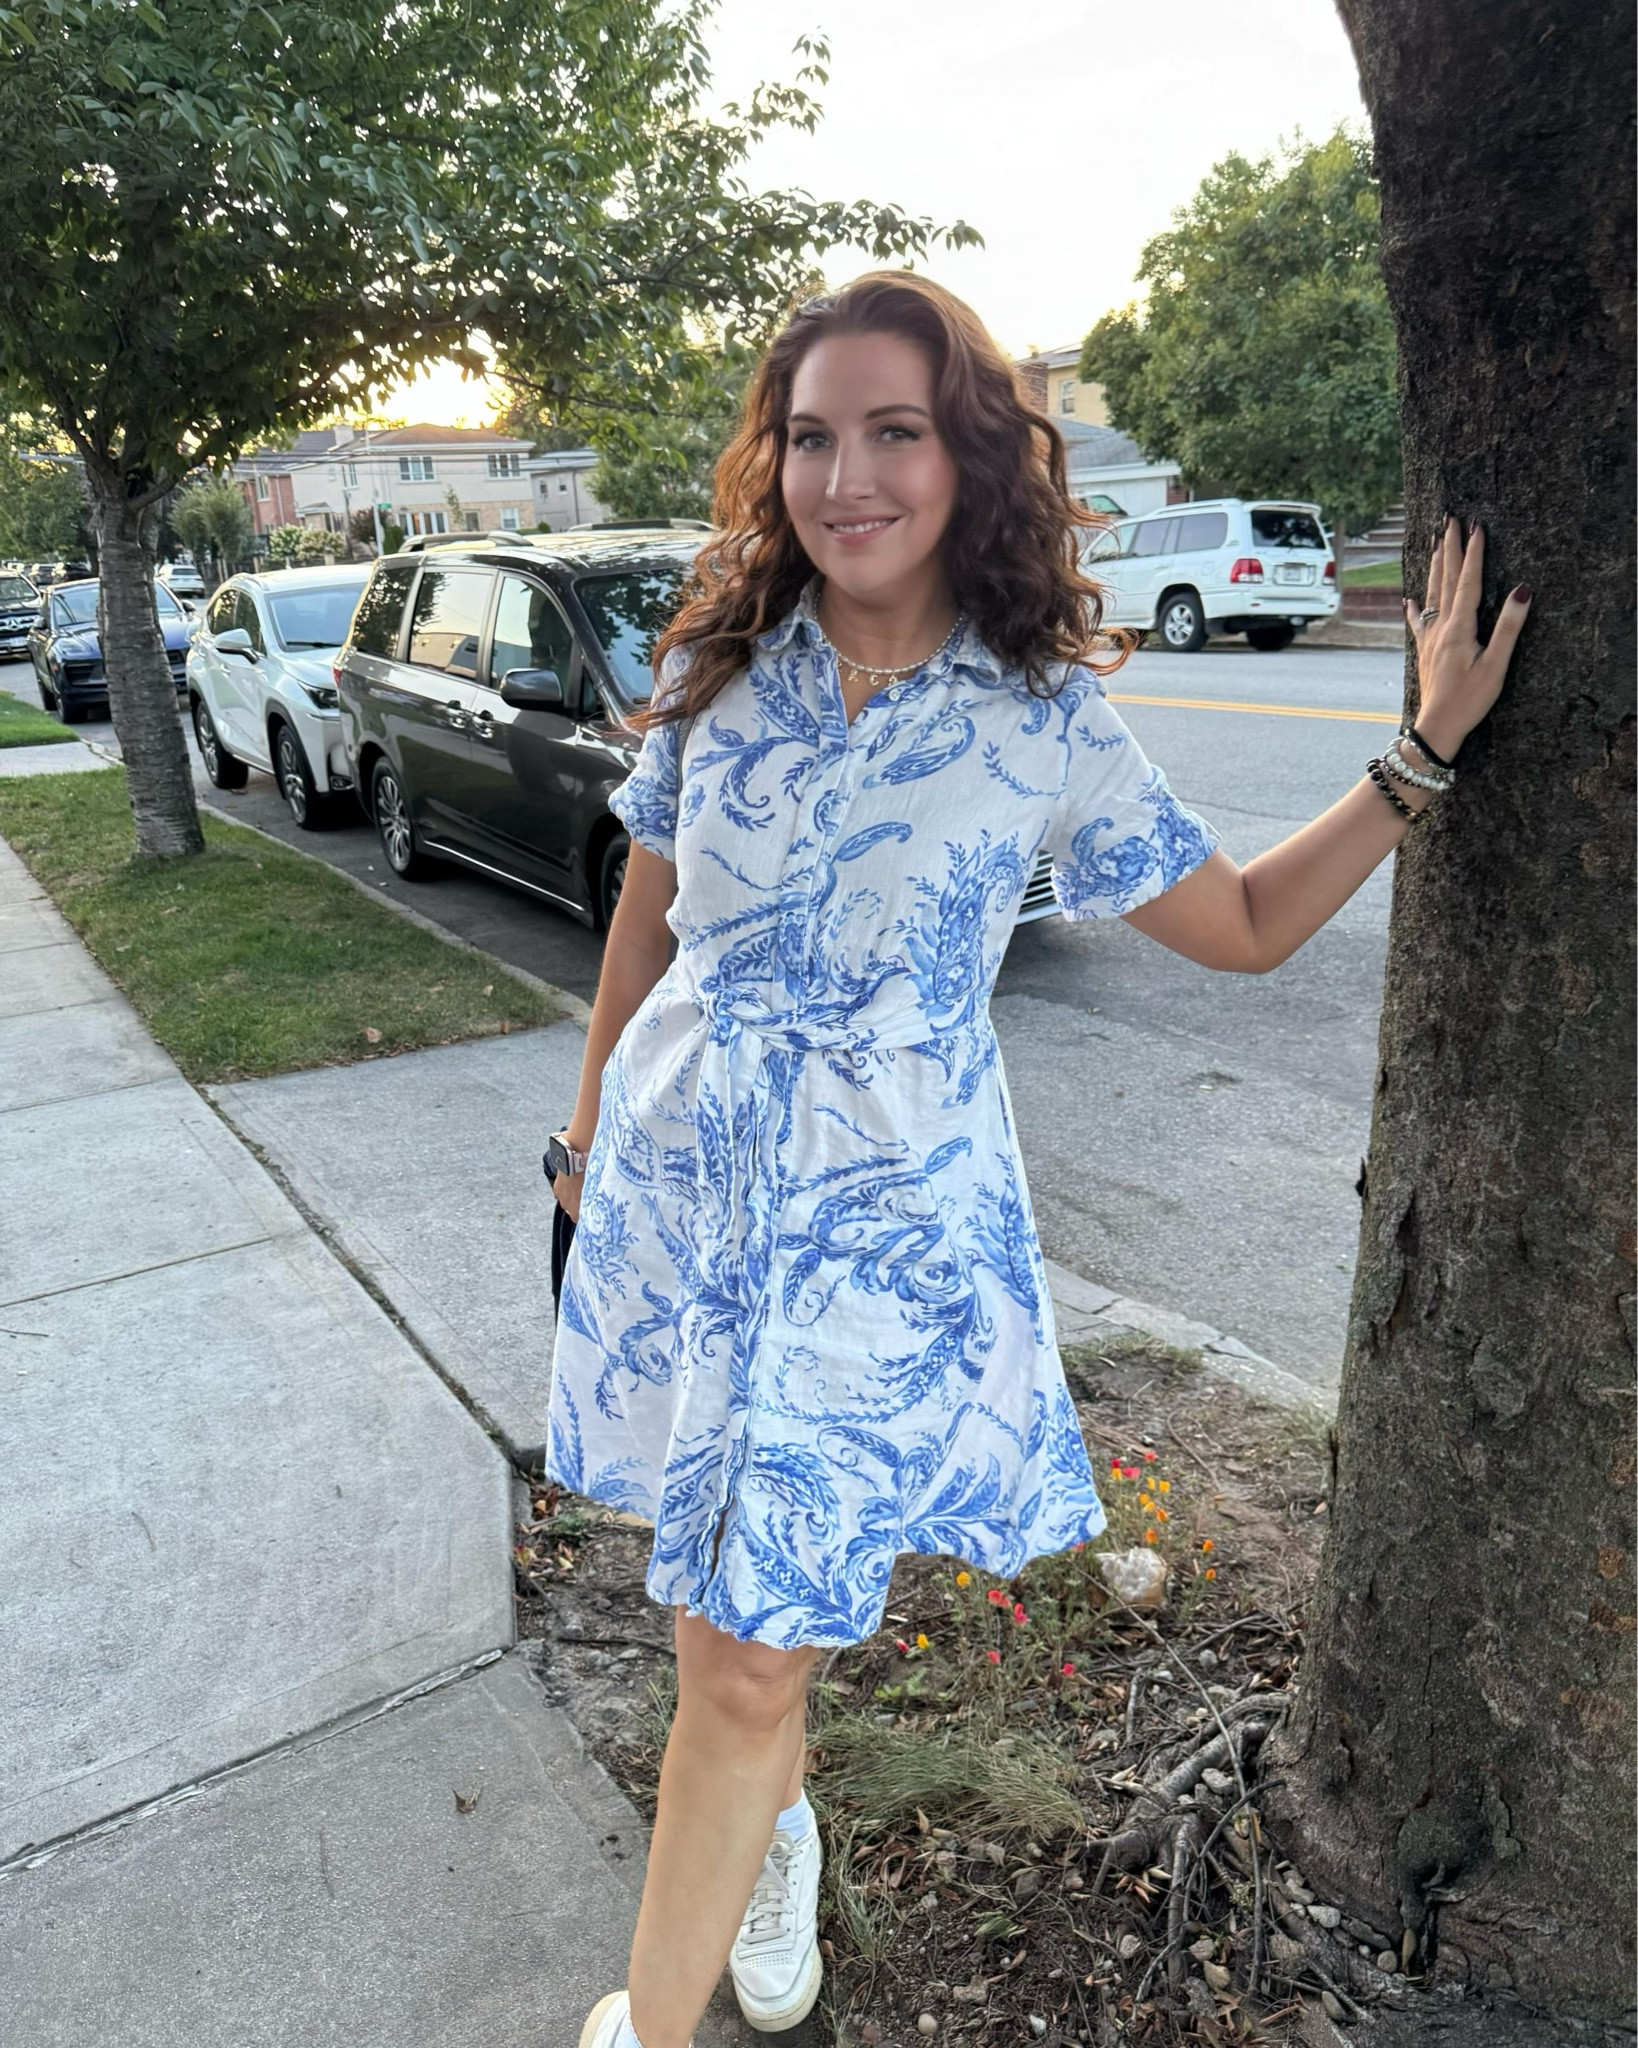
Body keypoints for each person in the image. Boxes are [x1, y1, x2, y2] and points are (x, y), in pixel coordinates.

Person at [542, 273, 1531, 2047]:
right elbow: (649, 898)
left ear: (969, 455)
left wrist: (1420, 753)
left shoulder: (1039, 715)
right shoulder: (718, 673)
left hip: (883, 1219)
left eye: (894, 432)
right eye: (811, 436)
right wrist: (593, 1113)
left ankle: (651, 2021)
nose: (846, 477)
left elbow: (1230, 925)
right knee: (723, 1612)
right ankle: (769, 1837)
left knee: (747, 1650)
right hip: (689, 1190)